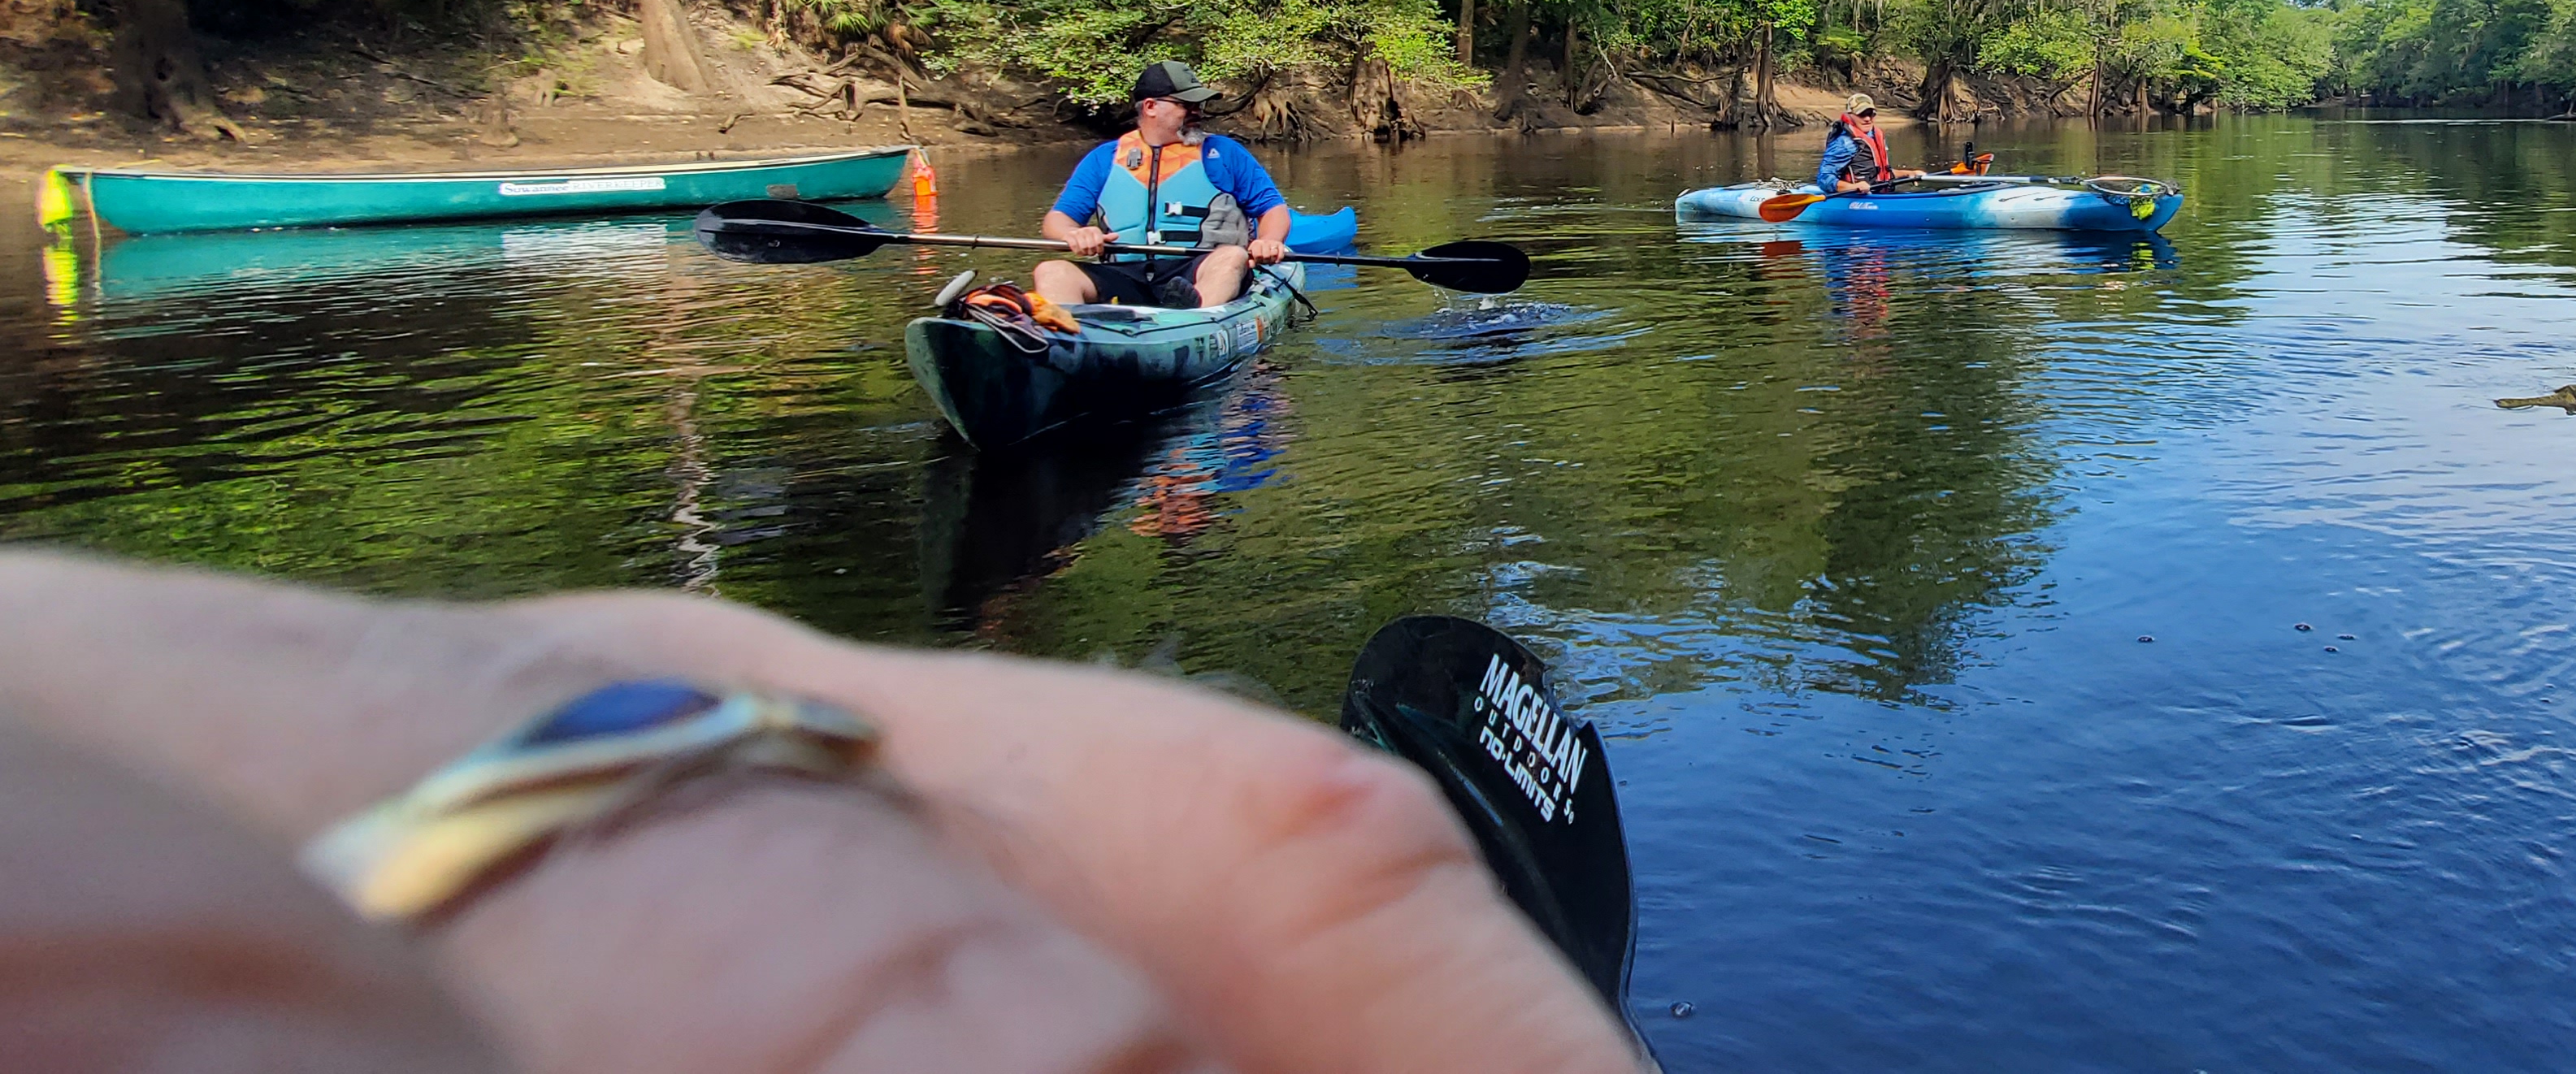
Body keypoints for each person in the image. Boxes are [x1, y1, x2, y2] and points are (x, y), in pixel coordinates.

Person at [0, 548, 1645, 1074]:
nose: (1151, 133)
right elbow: (1076, 239)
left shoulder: (1217, 172)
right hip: (1115, 296)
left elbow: (1260, 234)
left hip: (1202, 289)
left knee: (1200, 271)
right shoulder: (1109, 175)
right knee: (1066, 275)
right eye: (1142, 121)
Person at [1034, 61, 1291, 310]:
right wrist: (1073, 234)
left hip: (1198, 271)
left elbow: (1273, 210)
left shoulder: (1224, 153)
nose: (1197, 111)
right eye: (1186, 104)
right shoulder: (1104, 159)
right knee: (1052, 271)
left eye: (1198, 104)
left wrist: (1268, 241)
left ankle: (1190, 320)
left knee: (1233, 257)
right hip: (1123, 274)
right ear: (1150, 106)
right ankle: (1067, 339)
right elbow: (1057, 220)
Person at [1813, 92, 1893, 197]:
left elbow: (1880, 172)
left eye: (1871, 114)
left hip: (1878, 195)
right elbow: (1824, 179)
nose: (1868, 119)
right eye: (1862, 114)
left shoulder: (1874, 137)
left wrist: (1910, 174)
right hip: (1853, 198)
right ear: (1850, 116)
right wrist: (1853, 187)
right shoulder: (1845, 143)